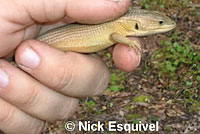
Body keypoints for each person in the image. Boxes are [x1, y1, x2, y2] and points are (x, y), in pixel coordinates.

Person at [0, 0, 141, 133]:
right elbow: (115, 36)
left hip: (35, 49)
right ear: (136, 25)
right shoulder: (120, 30)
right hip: (41, 45)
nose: (162, 27)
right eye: (159, 24)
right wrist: (128, 42)